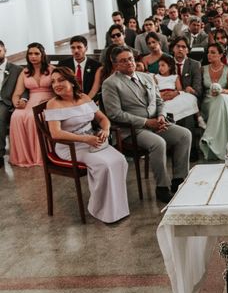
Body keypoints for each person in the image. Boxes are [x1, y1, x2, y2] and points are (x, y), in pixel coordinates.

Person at [101, 46, 191, 203]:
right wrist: (146, 122)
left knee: (184, 135)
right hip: (132, 130)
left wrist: (161, 116)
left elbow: (159, 101)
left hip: (156, 122)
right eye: (123, 61)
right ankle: (162, 188)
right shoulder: (110, 84)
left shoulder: (147, 77)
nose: (129, 63)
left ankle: (179, 181)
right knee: (159, 143)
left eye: (130, 59)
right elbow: (115, 114)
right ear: (116, 65)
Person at [44, 67, 129, 223]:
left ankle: (117, 208)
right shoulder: (53, 104)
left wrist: (105, 129)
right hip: (70, 146)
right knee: (103, 165)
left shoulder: (84, 98)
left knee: (120, 160)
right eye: (53, 81)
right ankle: (98, 208)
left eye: (61, 80)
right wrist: (84, 139)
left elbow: (103, 119)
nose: (56, 84)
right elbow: (56, 134)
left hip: (93, 141)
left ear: (71, 81)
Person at [9, 43, 55, 167]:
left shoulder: (51, 69)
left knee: (33, 117)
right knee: (16, 116)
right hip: (31, 100)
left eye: (36, 53)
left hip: (49, 100)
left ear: (42, 55)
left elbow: (58, 89)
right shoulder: (25, 72)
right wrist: (17, 103)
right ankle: (23, 156)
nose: (33, 56)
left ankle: (40, 156)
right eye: (30, 54)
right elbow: (17, 93)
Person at [199, 42, 228, 160]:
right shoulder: (202, 69)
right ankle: (220, 145)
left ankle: (208, 137)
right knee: (217, 102)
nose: (209, 55)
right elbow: (199, 90)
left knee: (220, 99)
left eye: (213, 53)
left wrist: (222, 91)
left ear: (220, 55)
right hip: (208, 101)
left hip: (226, 98)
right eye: (208, 52)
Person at [153, 55, 199, 123]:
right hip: (161, 96)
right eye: (159, 66)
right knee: (164, 105)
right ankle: (168, 118)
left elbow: (179, 90)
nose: (160, 68)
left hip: (173, 95)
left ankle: (198, 118)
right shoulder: (156, 77)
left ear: (169, 66)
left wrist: (175, 93)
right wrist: (161, 95)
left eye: (163, 65)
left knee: (189, 97)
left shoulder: (175, 77)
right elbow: (154, 90)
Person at [0, 40, 22, 167]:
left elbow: (23, 89)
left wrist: (21, 100)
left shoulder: (16, 69)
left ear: (5, 50)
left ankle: (0, 154)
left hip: (5, 102)